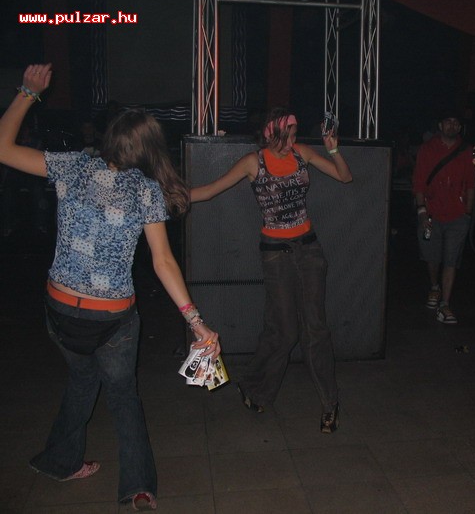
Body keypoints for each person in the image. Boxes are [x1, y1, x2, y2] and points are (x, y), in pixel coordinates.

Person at [0, 64, 220, 512]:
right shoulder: (146, 191)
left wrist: (27, 91)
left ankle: (61, 460)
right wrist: (196, 323)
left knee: (83, 379)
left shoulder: (73, 165)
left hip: (61, 312)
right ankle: (138, 486)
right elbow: (163, 261)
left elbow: (2, 148)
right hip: (112, 320)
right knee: (121, 395)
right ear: (149, 148)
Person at [190, 106, 351, 433]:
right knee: (284, 331)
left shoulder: (302, 153)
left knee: (315, 329)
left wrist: (333, 149)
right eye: (284, 136)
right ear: (268, 134)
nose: (291, 141)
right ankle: (255, 387)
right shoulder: (255, 162)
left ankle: (329, 403)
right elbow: (209, 190)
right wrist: (163, 196)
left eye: (293, 135)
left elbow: (344, 177)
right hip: (276, 254)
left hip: (309, 249)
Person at [412, 109, 475, 324]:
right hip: (431, 212)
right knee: (432, 256)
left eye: (456, 122)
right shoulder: (427, 149)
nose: (452, 126)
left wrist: (468, 212)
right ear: (440, 125)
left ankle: (445, 303)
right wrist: (422, 211)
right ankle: (434, 286)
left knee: (451, 259)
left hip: (457, 215)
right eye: (448, 122)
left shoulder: (466, 150)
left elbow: (471, 183)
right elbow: (419, 182)